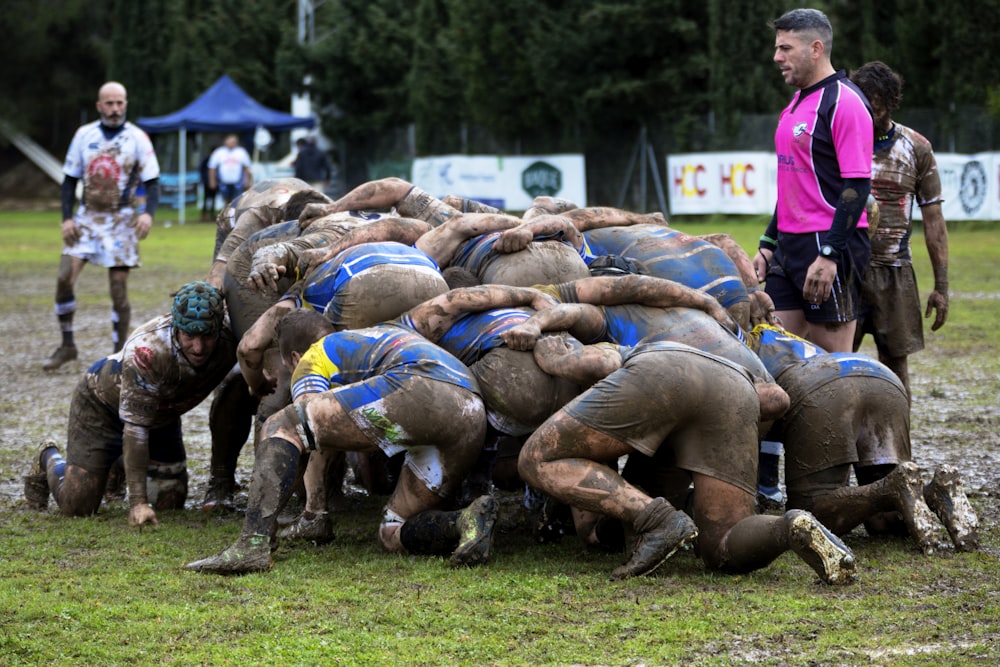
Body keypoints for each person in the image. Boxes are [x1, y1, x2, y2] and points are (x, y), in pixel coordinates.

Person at [516, 335, 856, 585]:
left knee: (536, 458)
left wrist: (557, 360)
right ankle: (788, 527)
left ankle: (659, 519)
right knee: (722, 546)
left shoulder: (591, 332)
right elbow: (775, 399)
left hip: (663, 371)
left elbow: (601, 362)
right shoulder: (693, 323)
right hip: (734, 384)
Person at [185, 309, 496, 574]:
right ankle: (464, 522)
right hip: (471, 409)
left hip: (420, 387)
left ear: (293, 357)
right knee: (393, 532)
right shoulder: (381, 334)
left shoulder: (313, 356)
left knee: (282, 423)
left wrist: (288, 513)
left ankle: (251, 543)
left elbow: (302, 426)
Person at [747, 322, 979, 554]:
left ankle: (892, 487)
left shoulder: (735, 345)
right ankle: (934, 492)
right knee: (882, 521)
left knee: (809, 514)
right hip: (880, 377)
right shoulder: (778, 332)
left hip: (823, 387)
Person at [24, 281, 238, 526]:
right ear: (176, 327)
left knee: (170, 502)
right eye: (189, 335)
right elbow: (135, 431)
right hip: (102, 406)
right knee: (78, 504)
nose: (198, 347)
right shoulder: (148, 350)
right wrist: (138, 503)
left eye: (207, 336)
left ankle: (118, 465)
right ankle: (48, 456)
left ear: (219, 327)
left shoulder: (234, 336)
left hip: (160, 414)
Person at [751, 8, 874, 354]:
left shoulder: (844, 102)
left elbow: (857, 186)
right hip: (789, 246)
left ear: (816, 49)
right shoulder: (794, 104)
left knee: (832, 362)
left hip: (829, 244)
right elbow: (794, 183)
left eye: (786, 48)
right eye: (777, 48)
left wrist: (830, 254)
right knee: (772, 351)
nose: (777, 57)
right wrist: (768, 242)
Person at [43, 81, 161, 370]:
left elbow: (152, 181)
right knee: (62, 278)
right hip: (87, 219)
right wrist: (67, 218)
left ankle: (118, 355)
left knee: (118, 289)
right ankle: (67, 344)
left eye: (120, 103)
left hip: (121, 220)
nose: (115, 109)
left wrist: (147, 214)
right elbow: (69, 180)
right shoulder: (84, 135)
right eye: (109, 103)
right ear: (99, 106)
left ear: (126, 104)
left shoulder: (137, 138)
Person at [849, 61, 949, 402]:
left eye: (875, 109)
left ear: (890, 104)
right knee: (834, 362)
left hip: (894, 272)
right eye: (862, 106)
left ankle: (897, 448)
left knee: (895, 365)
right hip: (844, 268)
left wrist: (941, 287)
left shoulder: (917, 148)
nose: (867, 116)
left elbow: (934, 221)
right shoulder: (837, 142)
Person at [208, 134, 253, 206]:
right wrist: (212, 181)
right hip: (224, 181)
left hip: (237, 181)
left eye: (234, 142)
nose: (232, 143)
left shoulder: (241, 152)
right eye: (230, 141)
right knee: (226, 200)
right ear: (225, 142)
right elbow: (212, 167)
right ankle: (227, 215)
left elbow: (247, 167)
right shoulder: (219, 152)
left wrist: (248, 180)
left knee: (238, 200)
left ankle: (235, 215)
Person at [199, 148, 219, 222]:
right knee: (206, 199)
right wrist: (205, 180)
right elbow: (202, 170)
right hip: (206, 182)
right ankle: (204, 214)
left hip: (216, 182)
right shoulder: (206, 160)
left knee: (213, 198)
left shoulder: (218, 160)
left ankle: (212, 213)